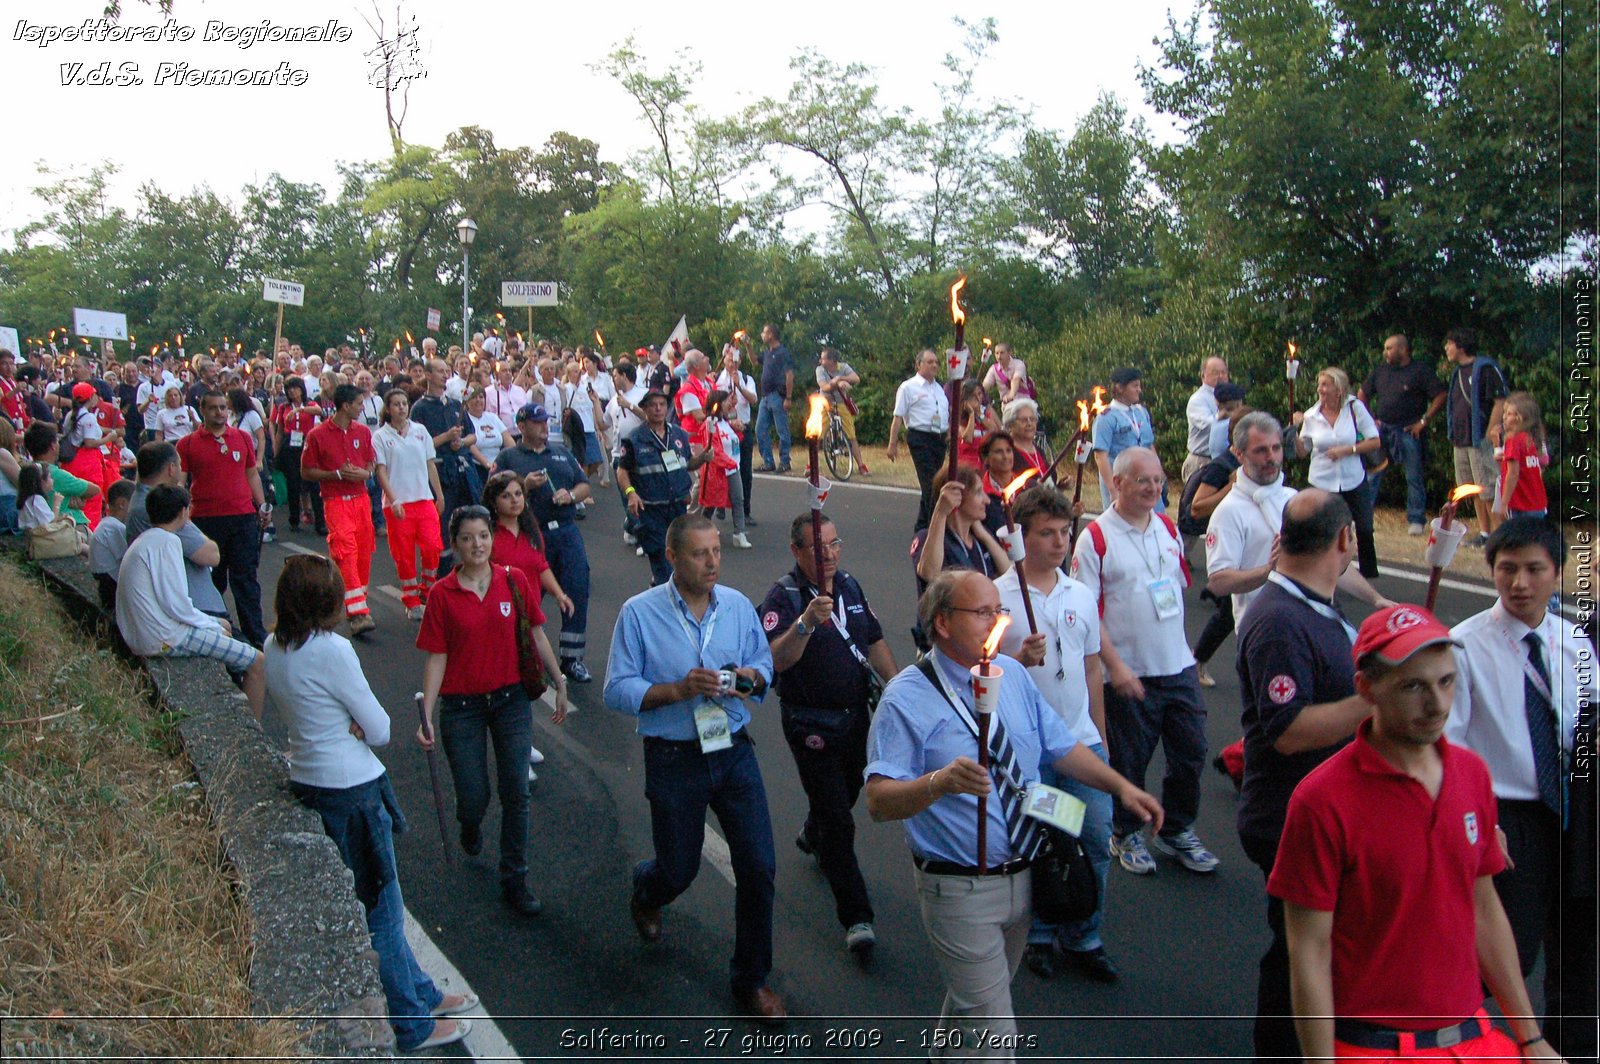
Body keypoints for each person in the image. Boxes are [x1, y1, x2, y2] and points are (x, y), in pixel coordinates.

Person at [865, 570, 1162, 1060]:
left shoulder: (1014, 675)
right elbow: (878, 801)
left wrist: (1122, 786)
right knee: (995, 1035)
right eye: (983, 613)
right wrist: (940, 783)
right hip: (959, 888)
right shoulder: (906, 697)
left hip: (1024, 875)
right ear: (941, 622)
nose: (997, 623)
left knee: (976, 1004)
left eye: (998, 611)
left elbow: (1060, 746)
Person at [1272, 604, 1558, 1063]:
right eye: (1413, 686)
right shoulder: (1321, 800)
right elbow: (1308, 949)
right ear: (1367, 688)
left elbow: (1483, 908)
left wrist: (1530, 1038)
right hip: (1370, 1049)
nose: (1438, 704)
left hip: (1475, 1040)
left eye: (1446, 682)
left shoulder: (1472, 776)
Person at [267, 555, 475, 1052]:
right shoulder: (332, 650)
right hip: (353, 788)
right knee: (383, 911)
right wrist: (357, 726)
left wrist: (349, 723)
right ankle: (411, 1023)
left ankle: (422, 992)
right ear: (329, 602)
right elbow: (379, 729)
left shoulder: (274, 646)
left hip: (310, 779)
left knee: (377, 904)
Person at [602, 514, 786, 1022]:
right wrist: (679, 691)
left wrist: (746, 677)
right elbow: (617, 689)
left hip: (731, 746)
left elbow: (763, 671)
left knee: (758, 867)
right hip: (673, 755)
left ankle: (751, 980)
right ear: (673, 558)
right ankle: (648, 889)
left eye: (717, 552)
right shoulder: (639, 613)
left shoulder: (737, 608)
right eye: (701, 554)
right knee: (678, 870)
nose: (712, 562)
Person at [1448, 517, 1596, 1062]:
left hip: (1574, 813)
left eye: (1535, 570)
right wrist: (1481, 824)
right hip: (1507, 817)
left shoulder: (1572, 640)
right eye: (1507, 569)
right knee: (1508, 950)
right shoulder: (1464, 647)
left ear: (1557, 574)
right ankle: (1465, 1046)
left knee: (1579, 946)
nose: (1520, 583)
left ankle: (1572, 1049)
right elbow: (1448, 749)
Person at [1234, 489, 1371, 1062]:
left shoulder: (1312, 605)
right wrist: (1377, 699)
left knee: (1313, 946)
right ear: (1346, 540)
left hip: (1321, 809)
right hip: (1289, 813)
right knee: (1297, 953)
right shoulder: (1280, 621)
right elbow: (1287, 730)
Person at [416, 506, 567, 917]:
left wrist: (560, 682)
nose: (477, 545)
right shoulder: (442, 595)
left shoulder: (513, 581)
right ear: (455, 545)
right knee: (473, 795)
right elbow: (436, 658)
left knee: (516, 790)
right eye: (467, 538)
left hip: (510, 701)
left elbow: (536, 632)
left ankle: (515, 877)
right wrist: (427, 714)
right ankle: (470, 825)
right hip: (461, 707)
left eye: (483, 536)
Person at [1071, 447, 1215, 877]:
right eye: (1142, 480)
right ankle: (1126, 830)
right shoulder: (1096, 538)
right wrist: (1115, 667)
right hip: (1131, 673)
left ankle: (1177, 827)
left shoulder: (1167, 529)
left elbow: (1175, 593)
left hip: (1178, 666)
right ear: (1118, 483)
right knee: (1130, 759)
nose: (1153, 488)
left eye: (1158, 480)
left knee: (1191, 753)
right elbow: (1087, 612)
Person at [994, 486, 1118, 984]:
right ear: (1020, 539)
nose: (1059, 542)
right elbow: (981, 674)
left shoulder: (1080, 595)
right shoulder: (997, 599)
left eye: (1065, 532)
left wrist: (1101, 741)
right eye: (1046, 533)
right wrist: (1015, 657)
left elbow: (1091, 672)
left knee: (1094, 835)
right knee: (1047, 840)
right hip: (1032, 754)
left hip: (1079, 743)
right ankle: (1041, 932)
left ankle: (1085, 932)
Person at [759, 512, 897, 953]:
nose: (831, 554)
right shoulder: (783, 598)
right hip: (809, 723)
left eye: (836, 544)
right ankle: (857, 916)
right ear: (797, 552)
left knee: (846, 793)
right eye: (820, 548)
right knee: (839, 819)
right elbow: (775, 661)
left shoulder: (852, 586)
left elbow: (873, 639)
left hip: (855, 717)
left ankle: (812, 831)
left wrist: (895, 691)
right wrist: (803, 625)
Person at [116, 485, 265, 718]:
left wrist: (213, 624)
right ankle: (253, 729)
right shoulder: (169, 542)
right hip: (163, 637)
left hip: (145, 634)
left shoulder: (145, 540)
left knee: (222, 628)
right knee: (257, 662)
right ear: (183, 512)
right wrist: (213, 624)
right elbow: (178, 606)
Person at [493, 403, 595, 683]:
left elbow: (584, 485)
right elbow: (491, 494)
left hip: (565, 530)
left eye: (545, 421)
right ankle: (518, 654)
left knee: (576, 587)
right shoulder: (508, 457)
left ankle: (572, 658)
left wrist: (571, 496)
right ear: (522, 426)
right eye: (537, 422)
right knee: (525, 595)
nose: (543, 426)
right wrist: (524, 485)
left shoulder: (561, 453)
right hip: (529, 533)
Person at [178, 390, 269, 648]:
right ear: (203, 411)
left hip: (242, 518)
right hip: (206, 522)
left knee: (246, 580)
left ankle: (255, 635)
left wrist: (262, 505)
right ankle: (213, 631)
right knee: (211, 582)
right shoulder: (188, 443)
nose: (219, 412)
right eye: (213, 408)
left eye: (223, 407)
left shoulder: (241, 437)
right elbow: (180, 482)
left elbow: (251, 474)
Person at [301, 384, 378, 637]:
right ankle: (358, 614)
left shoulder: (363, 432)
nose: (362, 407)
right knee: (345, 552)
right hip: (335, 501)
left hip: (361, 499)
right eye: (358, 403)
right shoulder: (317, 434)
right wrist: (335, 474)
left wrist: (365, 473)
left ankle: (356, 602)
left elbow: (370, 462)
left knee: (364, 552)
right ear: (346, 406)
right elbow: (307, 471)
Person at [1291, 367, 1381, 579]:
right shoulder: (1311, 415)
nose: (1320, 389)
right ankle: (1326, 571)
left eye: (1325, 385)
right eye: (1319, 384)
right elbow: (1303, 451)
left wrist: (1347, 450)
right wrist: (1295, 429)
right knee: (1327, 529)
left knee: (1365, 527)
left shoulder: (1354, 408)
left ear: (1338, 389)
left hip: (1353, 478)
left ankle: (1367, 574)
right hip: (1322, 480)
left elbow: (1375, 441)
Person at [616, 390, 711, 587]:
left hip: (676, 507)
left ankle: (662, 587)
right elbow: (622, 471)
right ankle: (663, 593)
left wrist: (702, 458)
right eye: (653, 405)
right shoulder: (634, 439)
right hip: (651, 509)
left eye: (662, 404)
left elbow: (687, 464)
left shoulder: (678, 435)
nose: (658, 409)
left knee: (680, 554)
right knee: (660, 555)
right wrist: (630, 493)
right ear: (645, 408)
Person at [1358, 333, 1446, 535]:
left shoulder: (1420, 371)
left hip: (1408, 430)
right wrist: (1371, 419)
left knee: (1413, 476)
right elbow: (1362, 394)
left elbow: (1440, 395)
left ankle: (1416, 519)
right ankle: (1363, 517)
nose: (1385, 352)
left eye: (1389, 348)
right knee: (1372, 474)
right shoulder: (1380, 371)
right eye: (1385, 348)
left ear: (1403, 350)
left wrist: (1423, 421)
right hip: (1382, 430)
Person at [372, 389, 445, 620]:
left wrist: (439, 495)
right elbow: (380, 471)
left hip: (423, 499)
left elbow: (430, 464)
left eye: (404, 403)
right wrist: (393, 500)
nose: (402, 408)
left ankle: (427, 589)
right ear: (388, 408)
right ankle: (411, 599)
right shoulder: (380, 437)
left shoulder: (420, 431)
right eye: (396, 404)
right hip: (398, 504)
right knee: (404, 555)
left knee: (433, 546)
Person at [1444, 327, 1508, 545]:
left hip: (1480, 438)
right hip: (1461, 439)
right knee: (1472, 488)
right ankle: (1484, 533)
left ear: (1460, 345)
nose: (1446, 348)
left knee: (1488, 488)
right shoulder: (1457, 372)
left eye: (1449, 343)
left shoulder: (1486, 368)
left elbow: (1500, 401)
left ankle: (1499, 534)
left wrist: (1491, 431)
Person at [411, 359, 476, 569]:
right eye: (439, 371)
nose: (444, 375)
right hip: (438, 471)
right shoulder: (419, 409)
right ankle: (441, 568)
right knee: (442, 520)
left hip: (460, 470)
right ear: (428, 375)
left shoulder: (456, 405)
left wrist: (461, 441)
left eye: (446, 371)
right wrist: (446, 437)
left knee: (467, 518)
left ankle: (468, 561)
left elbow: (472, 436)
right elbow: (418, 445)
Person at [887, 350, 952, 530]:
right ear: (919, 365)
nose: (934, 365)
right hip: (920, 437)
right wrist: (892, 444)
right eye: (929, 362)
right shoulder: (908, 387)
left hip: (938, 439)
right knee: (931, 484)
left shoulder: (939, 388)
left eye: (936, 362)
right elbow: (898, 416)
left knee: (934, 483)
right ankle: (935, 527)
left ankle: (922, 526)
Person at [1092, 367, 1158, 511]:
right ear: (1120, 388)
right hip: (1123, 480)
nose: (1139, 390)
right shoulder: (1107, 417)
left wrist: (1159, 474)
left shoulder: (1141, 412)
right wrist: (1112, 490)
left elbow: (1149, 445)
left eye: (1139, 386)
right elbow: (1100, 456)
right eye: (1135, 386)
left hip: (1146, 477)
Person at [699, 390, 751, 548]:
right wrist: (729, 463)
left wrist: (738, 431)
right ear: (717, 404)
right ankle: (701, 528)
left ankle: (739, 533)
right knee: (711, 503)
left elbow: (733, 442)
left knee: (738, 499)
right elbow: (713, 449)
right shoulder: (710, 424)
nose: (730, 404)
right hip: (718, 470)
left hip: (732, 468)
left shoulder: (725, 422)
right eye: (727, 401)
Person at [714, 345, 760, 524]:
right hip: (724, 428)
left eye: (736, 360)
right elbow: (713, 404)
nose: (732, 363)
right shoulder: (717, 379)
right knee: (722, 468)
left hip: (743, 429)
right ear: (724, 359)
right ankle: (719, 504)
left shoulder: (746, 379)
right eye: (729, 359)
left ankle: (744, 511)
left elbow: (753, 399)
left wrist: (739, 386)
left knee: (745, 471)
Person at [272, 377, 323, 534]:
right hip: (290, 445)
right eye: (289, 389)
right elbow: (280, 430)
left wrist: (299, 410)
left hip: (307, 443)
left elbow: (318, 411)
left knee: (314, 484)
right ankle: (294, 519)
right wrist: (276, 451)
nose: (292, 391)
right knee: (293, 484)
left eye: (295, 388)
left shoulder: (309, 404)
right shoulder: (283, 407)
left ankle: (320, 522)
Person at [1494, 392, 1549, 520]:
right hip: (1537, 503)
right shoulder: (1531, 439)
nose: (1504, 417)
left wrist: (1503, 503)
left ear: (1519, 418)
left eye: (1508, 414)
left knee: (1519, 539)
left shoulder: (1514, 441)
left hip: (1521, 505)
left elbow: (1512, 474)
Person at [815, 347, 868, 475]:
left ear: (832, 360)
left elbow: (856, 378)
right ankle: (811, 465)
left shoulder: (843, 367)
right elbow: (824, 386)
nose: (820, 360)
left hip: (841, 403)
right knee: (818, 434)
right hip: (825, 403)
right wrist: (836, 383)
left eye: (823, 358)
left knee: (851, 435)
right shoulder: (820, 370)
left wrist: (841, 379)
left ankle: (861, 465)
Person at [753, 324, 793, 473]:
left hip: (778, 395)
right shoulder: (767, 353)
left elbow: (789, 375)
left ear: (771, 335)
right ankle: (768, 462)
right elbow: (754, 361)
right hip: (766, 396)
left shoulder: (783, 353)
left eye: (764, 332)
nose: (762, 335)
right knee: (760, 429)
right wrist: (748, 346)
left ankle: (785, 461)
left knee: (782, 430)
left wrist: (788, 397)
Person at [1182, 356, 1229, 482]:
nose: (1220, 376)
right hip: (1201, 461)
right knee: (1197, 501)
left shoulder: (1230, 397)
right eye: (1215, 373)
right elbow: (1210, 424)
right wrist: (1225, 414)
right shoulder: (1198, 399)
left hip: (1224, 461)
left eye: (1223, 372)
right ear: (1203, 375)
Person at [977, 431, 1018, 536]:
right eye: (998, 452)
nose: (1005, 457)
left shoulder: (1026, 487)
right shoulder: (979, 494)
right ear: (985, 458)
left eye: (1009, 451)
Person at [1001, 398, 1049, 479]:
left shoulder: (1039, 451)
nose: (1029, 423)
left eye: (1032, 419)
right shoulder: (1007, 452)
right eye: (1024, 420)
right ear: (1010, 424)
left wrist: (1061, 486)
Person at [982, 342, 1034, 407]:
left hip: (1023, 403)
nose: (999, 356)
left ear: (1009, 353)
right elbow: (986, 385)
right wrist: (979, 392)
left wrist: (1011, 395)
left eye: (1002, 353)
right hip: (1007, 406)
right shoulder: (993, 369)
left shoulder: (1019, 364)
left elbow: (1016, 380)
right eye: (997, 353)